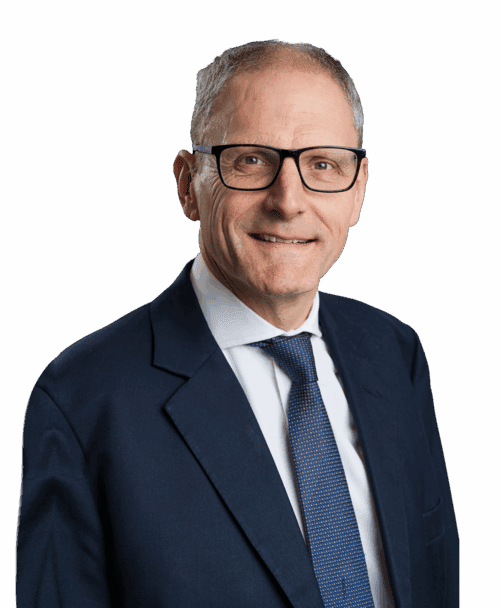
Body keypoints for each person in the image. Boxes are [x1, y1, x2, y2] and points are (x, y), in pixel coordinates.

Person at [16, 40, 459, 608]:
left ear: (359, 190)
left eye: (323, 164)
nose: (288, 201)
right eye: (250, 160)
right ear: (188, 184)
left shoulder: (395, 351)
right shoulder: (82, 399)